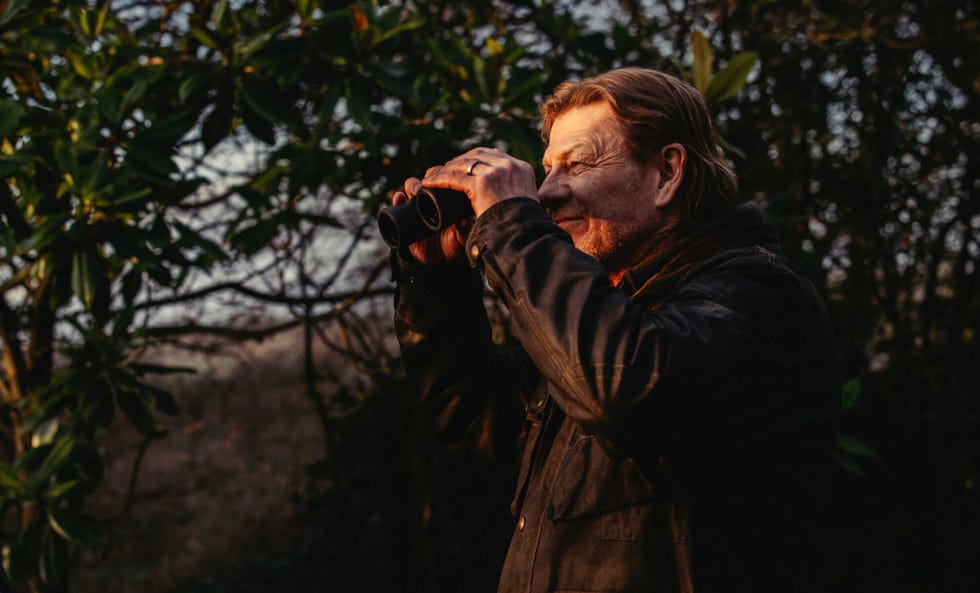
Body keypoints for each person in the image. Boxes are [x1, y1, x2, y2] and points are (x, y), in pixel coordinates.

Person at [390, 68, 840, 593]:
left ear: (668, 172)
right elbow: (472, 416)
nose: (549, 192)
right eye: (546, 169)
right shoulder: (599, 316)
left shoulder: (757, 294)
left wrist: (512, 224)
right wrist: (434, 281)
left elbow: (623, 389)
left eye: (577, 163)